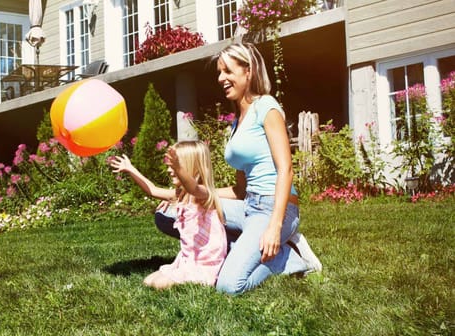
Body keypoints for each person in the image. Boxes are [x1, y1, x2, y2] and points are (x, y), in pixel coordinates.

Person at [213, 42, 322, 295]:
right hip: (249, 205)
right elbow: (240, 189)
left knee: (229, 287)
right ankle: (245, 246)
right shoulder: (236, 123)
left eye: (228, 71)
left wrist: (274, 227)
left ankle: (291, 257)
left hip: (276, 209)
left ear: (248, 71)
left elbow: (286, 170)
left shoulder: (267, 107)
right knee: (179, 212)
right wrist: (198, 193)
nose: (221, 78)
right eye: (219, 72)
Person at [110, 141, 227, 289]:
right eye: (171, 166)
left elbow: (194, 188)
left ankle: (200, 280)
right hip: (187, 259)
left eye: (174, 167)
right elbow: (152, 190)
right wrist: (130, 169)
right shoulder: (180, 194)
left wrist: (178, 168)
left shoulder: (203, 194)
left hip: (204, 263)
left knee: (160, 284)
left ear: (192, 167)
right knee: (149, 281)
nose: (170, 171)